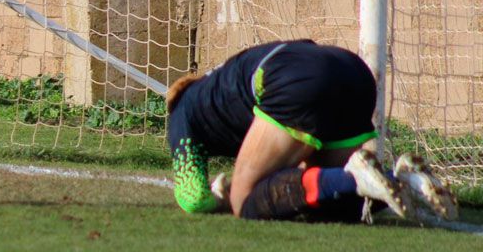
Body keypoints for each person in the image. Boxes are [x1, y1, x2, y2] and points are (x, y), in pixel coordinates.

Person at [167, 39, 457, 223]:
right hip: (352, 73)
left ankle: (359, 176)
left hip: (297, 82)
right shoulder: (218, 85)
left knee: (245, 201)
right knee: (325, 200)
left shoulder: (181, 112)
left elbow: (192, 198)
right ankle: (406, 179)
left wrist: (223, 196)